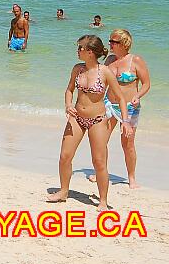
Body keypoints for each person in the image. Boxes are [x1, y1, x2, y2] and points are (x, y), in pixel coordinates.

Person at [47, 35, 133, 211]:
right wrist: (68, 105)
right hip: (77, 117)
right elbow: (69, 90)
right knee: (65, 156)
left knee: (99, 161)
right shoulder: (77, 69)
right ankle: (63, 191)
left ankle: (102, 200)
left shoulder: (105, 72)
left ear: (90, 52)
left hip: (98, 120)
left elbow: (122, 98)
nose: (77, 50)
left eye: (80, 48)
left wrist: (125, 121)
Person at [88, 30, 151, 188]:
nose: (110, 44)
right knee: (101, 140)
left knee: (127, 144)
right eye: (110, 41)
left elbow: (146, 84)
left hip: (129, 107)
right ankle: (101, 173)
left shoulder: (135, 60)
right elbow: (101, 80)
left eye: (113, 42)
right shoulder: (109, 59)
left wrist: (138, 95)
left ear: (124, 44)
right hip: (109, 104)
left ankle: (131, 177)